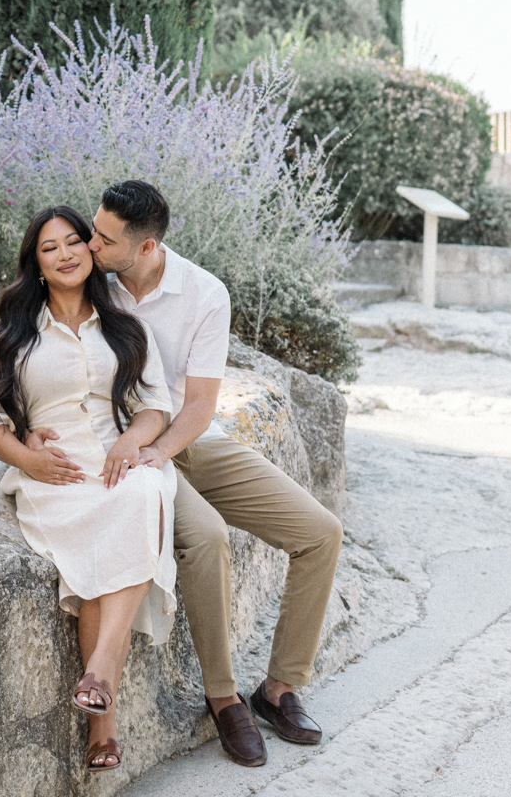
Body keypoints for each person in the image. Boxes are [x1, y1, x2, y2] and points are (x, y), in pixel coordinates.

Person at [88, 179, 343, 767]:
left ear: (146, 246)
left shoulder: (204, 293)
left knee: (320, 533)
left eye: (105, 237)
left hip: (191, 438)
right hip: (128, 443)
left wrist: (166, 449)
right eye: (95, 230)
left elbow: (201, 405)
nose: (93, 243)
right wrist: (144, 451)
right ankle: (224, 698)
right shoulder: (94, 286)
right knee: (206, 538)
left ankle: (279, 689)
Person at [0, 205, 177, 774]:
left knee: (143, 495)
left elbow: (156, 405)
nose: (63, 254)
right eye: (48, 247)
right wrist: (28, 460)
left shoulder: (126, 327)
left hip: (117, 462)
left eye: (72, 242)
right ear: (35, 264)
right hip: (55, 475)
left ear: (91, 250)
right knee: (95, 558)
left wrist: (132, 441)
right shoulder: (10, 333)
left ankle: (99, 685)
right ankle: (103, 712)